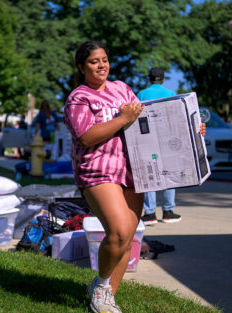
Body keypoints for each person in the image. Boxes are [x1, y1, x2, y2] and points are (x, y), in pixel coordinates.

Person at [64, 40, 145, 313]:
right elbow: (85, 137)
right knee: (118, 231)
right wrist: (122, 119)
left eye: (105, 59)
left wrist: (190, 128)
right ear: (81, 67)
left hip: (133, 171)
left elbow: (148, 120)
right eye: (94, 61)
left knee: (127, 239)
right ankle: (100, 287)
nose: (102, 65)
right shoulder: (79, 97)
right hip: (98, 170)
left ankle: (106, 297)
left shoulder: (122, 89)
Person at [136, 67, 180, 225]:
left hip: (148, 139)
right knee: (169, 173)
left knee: (150, 174)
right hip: (167, 139)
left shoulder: (141, 94)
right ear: (163, 79)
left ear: (149, 79)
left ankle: (150, 214)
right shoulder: (171, 94)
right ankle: (168, 211)